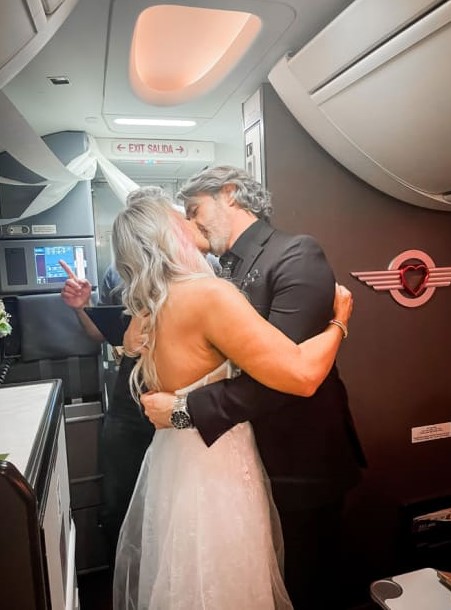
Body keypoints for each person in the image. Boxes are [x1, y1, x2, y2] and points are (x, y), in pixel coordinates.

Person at [110, 187, 353, 610]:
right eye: (182, 217)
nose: (191, 224)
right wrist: (340, 322)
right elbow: (301, 375)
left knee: (189, 578)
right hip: (217, 464)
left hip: (176, 462)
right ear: (169, 233)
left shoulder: (149, 309)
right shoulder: (208, 294)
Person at [60, 187, 216, 565]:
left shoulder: (201, 270)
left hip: (180, 397)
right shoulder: (119, 272)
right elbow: (103, 335)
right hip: (132, 396)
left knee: (179, 500)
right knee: (121, 497)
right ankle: (128, 572)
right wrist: (83, 307)